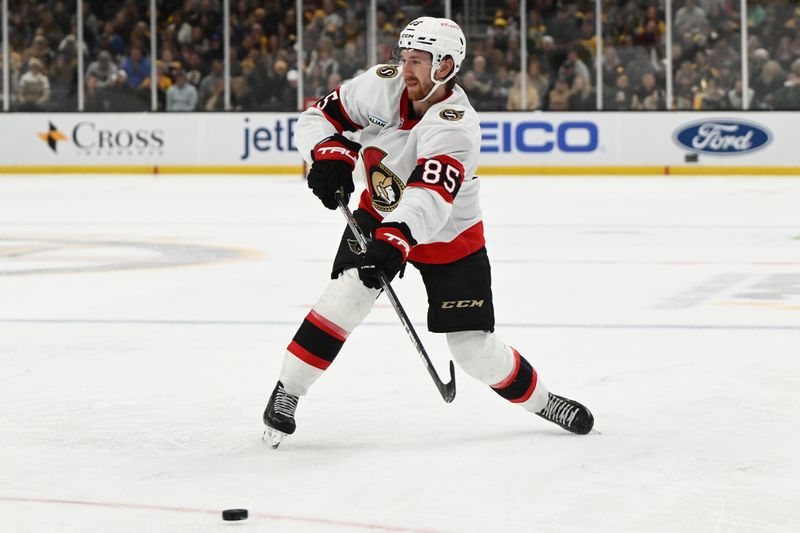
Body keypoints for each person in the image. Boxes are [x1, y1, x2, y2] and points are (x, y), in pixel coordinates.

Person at [262, 17, 594, 448]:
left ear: (445, 66)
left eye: (418, 61)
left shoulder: (456, 124)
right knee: (346, 297)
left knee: (474, 351)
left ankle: (545, 401)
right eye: (404, 58)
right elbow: (320, 118)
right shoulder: (380, 85)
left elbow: (430, 197)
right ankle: (286, 392)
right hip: (379, 211)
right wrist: (327, 155)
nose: (406, 69)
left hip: (448, 234)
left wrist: (396, 238)